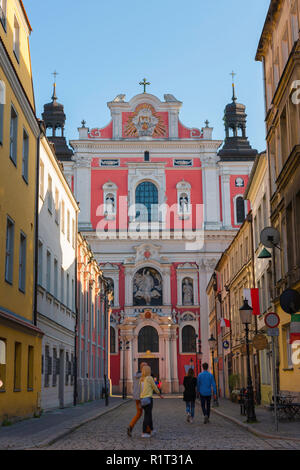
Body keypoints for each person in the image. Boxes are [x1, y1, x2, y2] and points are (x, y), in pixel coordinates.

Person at [140, 365, 164, 438]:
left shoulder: (141, 379)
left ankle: (151, 430)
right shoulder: (149, 378)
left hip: (142, 399)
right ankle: (145, 432)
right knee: (147, 416)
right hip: (148, 399)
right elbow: (154, 387)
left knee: (148, 415)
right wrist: (159, 394)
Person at [127, 361, 147, 437]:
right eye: (146, 366)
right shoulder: (143, 375)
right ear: (143, 367)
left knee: (139, 413)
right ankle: (147, 430)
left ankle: (131, 426)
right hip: (142, 397)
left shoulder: (136, 374)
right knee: (147, 413)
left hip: (137, 397)